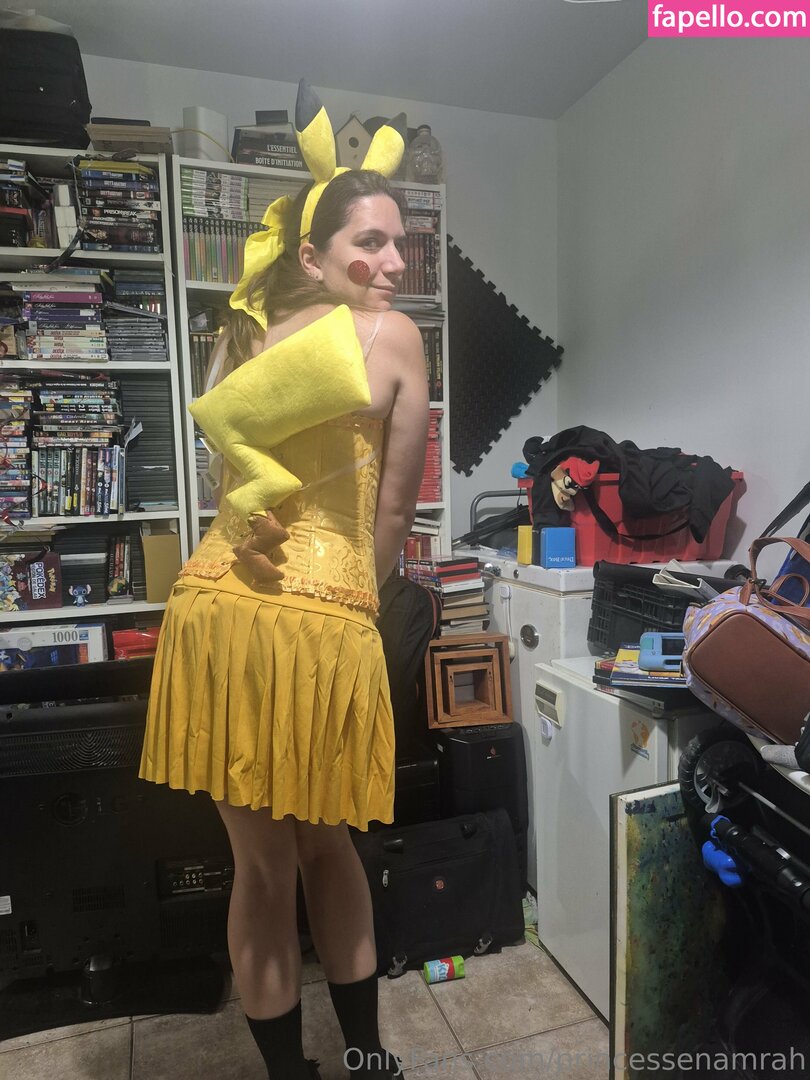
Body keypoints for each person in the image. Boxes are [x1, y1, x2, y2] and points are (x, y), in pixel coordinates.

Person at [139, 81, 429, 1079]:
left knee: (259, 867)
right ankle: (365, 1060)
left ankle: (289, 1076)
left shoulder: (238, 334)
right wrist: (351, 597)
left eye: (400, 244)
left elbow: (231, 487)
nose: (393, 263)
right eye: (371, 242)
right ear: (314, 254)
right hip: (319, 619)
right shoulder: (395, 337)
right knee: (328, 849)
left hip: (215, 614)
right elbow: (394, 516)